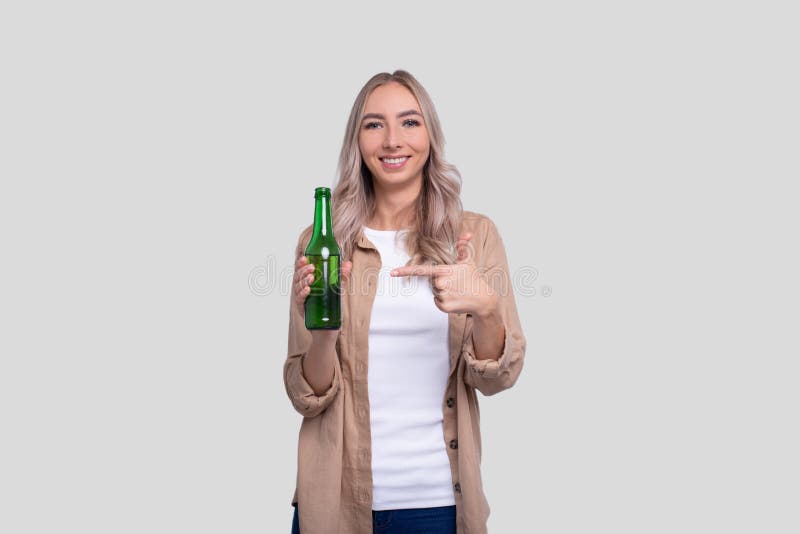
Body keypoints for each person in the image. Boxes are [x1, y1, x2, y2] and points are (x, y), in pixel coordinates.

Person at [284, 70, 526, 534]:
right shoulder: (324, 241)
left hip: (437, 505)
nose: (393, 141)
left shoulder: (474, 237)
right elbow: (307, 396)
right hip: (333, 504)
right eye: (374, 124)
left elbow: (496, 379)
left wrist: (487, 310)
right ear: (356, 140)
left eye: (409, 122)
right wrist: (324, 338)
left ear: (431, 135)